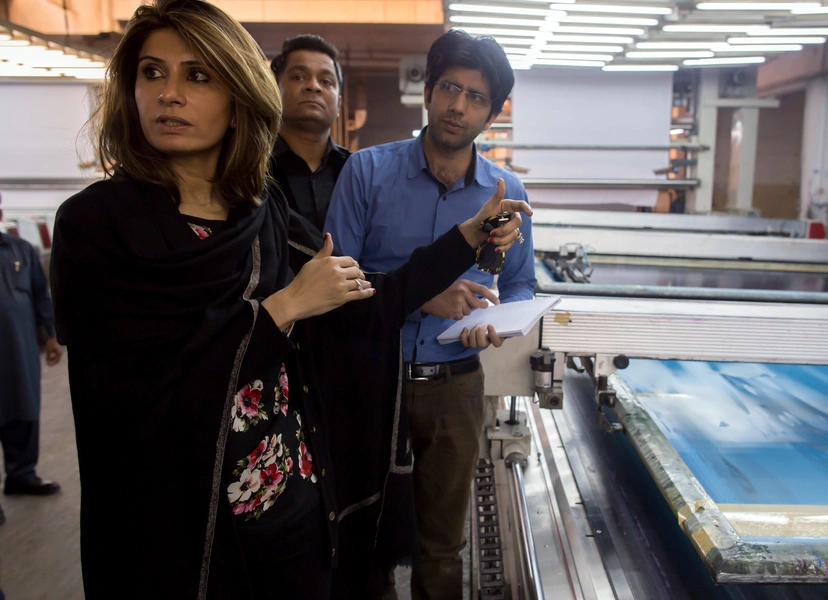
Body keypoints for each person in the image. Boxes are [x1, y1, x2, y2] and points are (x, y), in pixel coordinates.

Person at [49, 2, 531, 598]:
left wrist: (465, 239)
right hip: (175, 523)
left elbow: (365, 299)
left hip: (286, 507)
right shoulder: (97, 224)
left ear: (238, 99)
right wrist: (283, 309)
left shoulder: (259, 213)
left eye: (198, 76)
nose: (168, 94)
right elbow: (136, 388)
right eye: (152, 73)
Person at [325, 29, 536, 600]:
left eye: (475, 97)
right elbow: (333, 283)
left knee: (443, 545)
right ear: (429, 89)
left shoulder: (505, 191)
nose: (458, 106)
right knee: (363, 531)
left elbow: (520, 285)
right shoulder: (367, 173)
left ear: (491, 114)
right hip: (373, 382)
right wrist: (419, 296)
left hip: (454, 388)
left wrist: (501, 324)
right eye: (450, 88)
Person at [0, 193, 63, 526]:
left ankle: (21, 474)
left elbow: (41, 293)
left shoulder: (20, 250)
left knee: (23, 407)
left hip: (18, 347)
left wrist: (51, 335)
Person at [270, 34, 349, 233]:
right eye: (298, 77)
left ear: (339, 103)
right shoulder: (249, 166)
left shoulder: (356, 170)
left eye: (326, 81)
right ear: (272, 90)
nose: (313, 86)